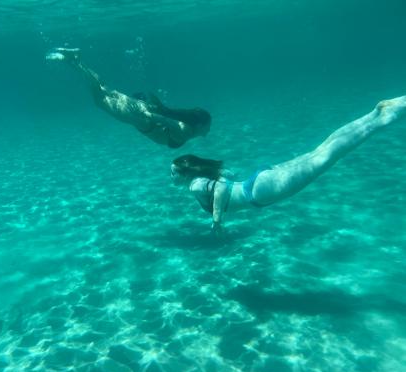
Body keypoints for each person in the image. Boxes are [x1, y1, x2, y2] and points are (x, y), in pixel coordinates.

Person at [170, 95, 406, 235]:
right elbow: (226, 177)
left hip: (261, 190)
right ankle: (376, 114)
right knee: (322, 152)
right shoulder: (205, 177)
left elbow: (221, 190)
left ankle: (385, 117)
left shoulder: (194, 186)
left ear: (186, 171)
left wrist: (217, 220)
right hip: (261, 180)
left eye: (174, 173)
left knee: (327, 156)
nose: (172, 178)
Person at [46, 48, 211, 148]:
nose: (208, 131)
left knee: (104, 90)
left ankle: (75, 60)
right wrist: (149, 115)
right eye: (208, 127)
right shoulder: (186, 131)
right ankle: (74, 61)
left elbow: (167, 119)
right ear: (200, 124)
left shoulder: (186, 129)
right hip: (140, 118)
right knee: (100, 98)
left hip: (141, 112)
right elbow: (166, 121)